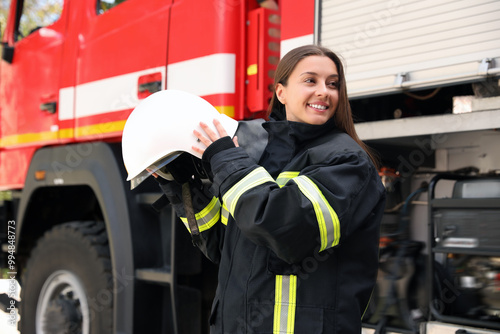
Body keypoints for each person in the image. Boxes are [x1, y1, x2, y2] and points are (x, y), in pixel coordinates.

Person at [158, 44, 386, 333]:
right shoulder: (261, 157)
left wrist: (227, 160)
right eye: (310, 80)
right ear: (281, 93)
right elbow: (222, 246)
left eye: (332, 84)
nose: (324, 92)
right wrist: (180, 186)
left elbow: (284, 230)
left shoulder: (346, 161)